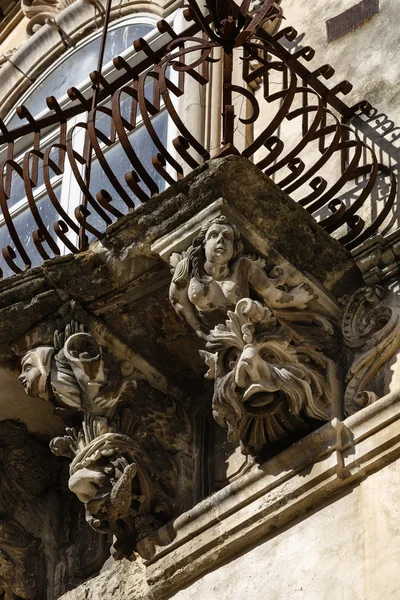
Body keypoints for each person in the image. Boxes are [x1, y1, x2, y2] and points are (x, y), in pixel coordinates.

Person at [169, 215, 315, 339]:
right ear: (204, 243)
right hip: (214, 334)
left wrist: (297, 298)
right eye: (214, 235)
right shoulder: (188, 266)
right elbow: (178, 300)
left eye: (227, 237)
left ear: (234, 249)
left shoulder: (243, 267)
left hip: (246, 333)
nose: (221, 240)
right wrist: (200, 332)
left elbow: (272, 295)